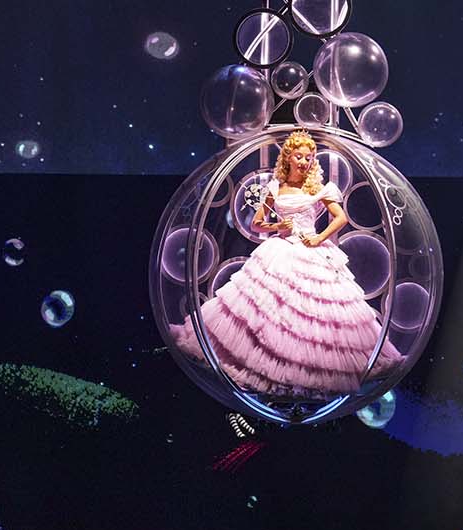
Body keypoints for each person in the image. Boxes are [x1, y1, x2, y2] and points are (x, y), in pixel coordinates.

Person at [170, 128, 402, 397]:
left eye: (309, 157)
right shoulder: (276, 187)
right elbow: (257, 223)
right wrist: (278, 224)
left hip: (311, 250)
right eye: (299, 156)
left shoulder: (319, 188)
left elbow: (340, 218)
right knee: (270, 310)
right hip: (279, 250)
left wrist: (318, 238)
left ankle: (310, 372)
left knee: (315, 314)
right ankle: (266, 367)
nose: (304, 162)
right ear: (288, 157)